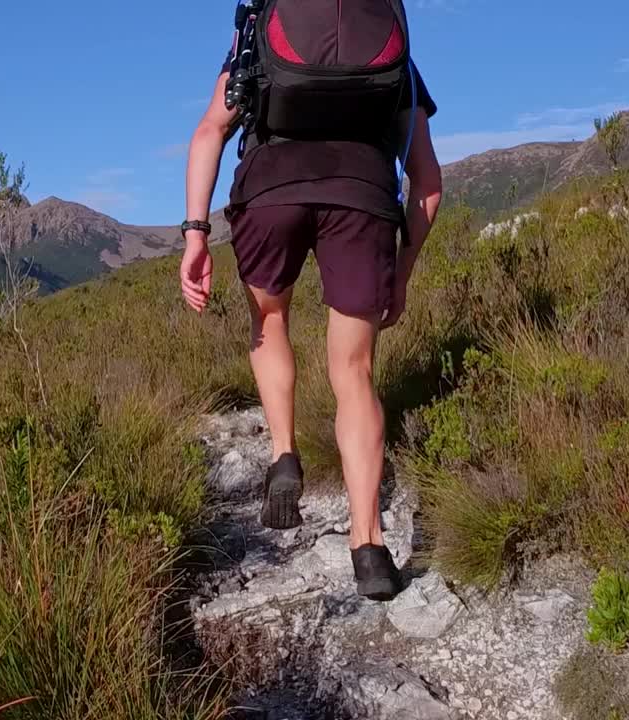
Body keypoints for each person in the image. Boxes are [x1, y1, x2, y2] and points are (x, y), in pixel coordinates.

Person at [179, 0, 443, 601]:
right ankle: (369, 546)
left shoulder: (265, 25)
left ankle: (284, 453)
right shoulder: (391, 44)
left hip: (270, 188)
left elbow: (209, 131)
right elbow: (427, 183)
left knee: (270, 320)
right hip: (362, 193)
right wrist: (401, 270)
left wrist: (195, 234)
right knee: (354, 372)